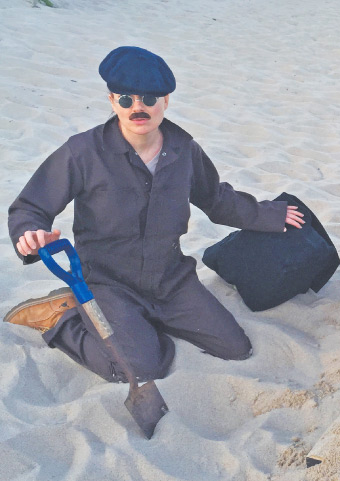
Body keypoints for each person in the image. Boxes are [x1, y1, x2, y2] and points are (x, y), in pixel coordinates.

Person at [5, 46, 304, 383]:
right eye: (126, 99)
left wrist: (269, 215)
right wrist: (29, 233)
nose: (138, 108)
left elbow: (216, 199)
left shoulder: (185, 151)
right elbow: (31, 207)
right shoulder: (82, 152)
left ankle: (138, 324)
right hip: (107, 282)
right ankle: (62, 322)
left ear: (165, 102)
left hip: (170, 279)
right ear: (112, 101)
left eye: (149, 98)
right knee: (141, 368)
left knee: (235, 347)